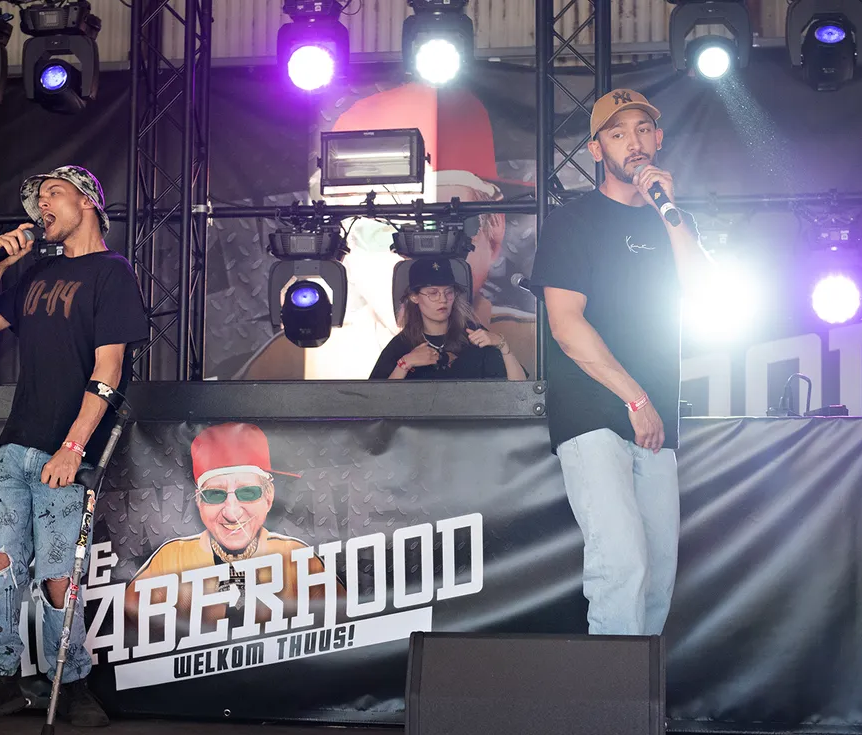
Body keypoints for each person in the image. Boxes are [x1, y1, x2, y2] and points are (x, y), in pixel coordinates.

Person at [0, 166, 148, 728]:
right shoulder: (34, 272)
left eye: (54, 194)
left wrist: (73, 447)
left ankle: (70, 682)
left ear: (88, 201)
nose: (42, 206)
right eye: (38, 200)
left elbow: (109, 369)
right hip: (17, 443)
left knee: (58, 570)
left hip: (67, 447)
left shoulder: (112, 272)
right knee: (1, 561)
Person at [529, 90, 710, 637]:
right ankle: (612, 693)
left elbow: (703, 294)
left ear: (659, 138)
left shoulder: (674, 221)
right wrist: (636, 399)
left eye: (643, 129)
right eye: (617, 132)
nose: (634, 142)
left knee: (657, 575)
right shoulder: (573, 222)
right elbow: (567, 327)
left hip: (655, 419)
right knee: (621, 562)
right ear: (596, 148)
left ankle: (639, 685)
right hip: (595, 412)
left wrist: (670, 214)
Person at [234, 83, 536, 380]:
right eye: (375, 232)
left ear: (494, 226)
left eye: (434, 227)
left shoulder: (534, 343)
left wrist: (503, 347)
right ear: (342, 247)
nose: (405, 258)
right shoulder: (290, 362)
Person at [124, 423, 343, 627]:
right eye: (214, 494)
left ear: (269, 497)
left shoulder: (298, 559)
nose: (231, 513)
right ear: (199, 501)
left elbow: (343, 626)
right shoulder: (170, 560)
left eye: (248, 492)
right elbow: (126, 631)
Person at [369, 257, 525, 380]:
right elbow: (376, 403)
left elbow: (520, 391)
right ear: (414, 297)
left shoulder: (474, 335)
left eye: (448, 292)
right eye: (433, 293)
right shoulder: (401, 345)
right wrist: (405, 364)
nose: (442, 299)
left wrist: (502, 344)